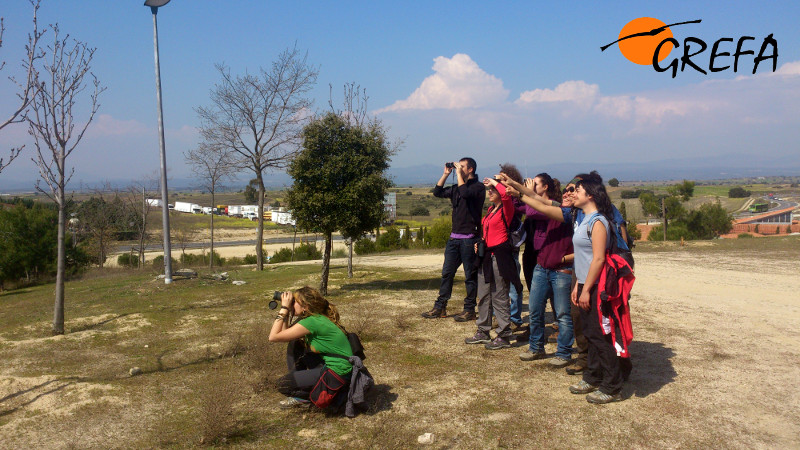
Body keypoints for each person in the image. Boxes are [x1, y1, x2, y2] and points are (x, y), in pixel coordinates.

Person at [566, 178, 630, 403]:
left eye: (579, 190)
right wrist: (577, 285)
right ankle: (593, 376)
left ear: (590, 195)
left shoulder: (598, 221)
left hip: (596, 286)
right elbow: (583, 259)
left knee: (601, 335)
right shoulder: (584, 220)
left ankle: (612, 386)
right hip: (584, 283)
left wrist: (587, 289)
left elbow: (599, 258)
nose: (575, 193)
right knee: (590, 334)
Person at [504, 173, 575, 367]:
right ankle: (536, 347)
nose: (568, 193)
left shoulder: (571, 214)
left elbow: (536, 208)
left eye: (572, 190)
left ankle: (563, 352)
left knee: (562, 314)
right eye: (566, 190)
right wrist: (514, 186)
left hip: (562, 270)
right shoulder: (556, 205)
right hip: (541, 267)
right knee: (535, 310)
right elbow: (536, 200)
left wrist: (519, 193)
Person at [422, 158, 485, 321]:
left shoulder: (478, 188)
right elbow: (437, 192)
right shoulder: (457, 188)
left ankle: (469, 309)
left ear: (470, 169)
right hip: (454, 238)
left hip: (469, 239)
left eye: (462, 166)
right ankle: (440, 307)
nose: (459, 168)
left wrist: (458, 174)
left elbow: (465, 193)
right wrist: (445, 174)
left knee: (469, 276)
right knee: (447, 273)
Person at [269, 286, 353, 409]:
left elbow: (273, 337)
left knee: (283, 384)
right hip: (341, 368)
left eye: (294, 302)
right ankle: (305, 385)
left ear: (305, 307)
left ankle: (320, 397)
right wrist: (287, 313)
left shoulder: (311, 322)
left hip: (338, 372)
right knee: (296, 345)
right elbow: (285, 335)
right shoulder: (316, 318)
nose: (292, 304)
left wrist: (284, 308)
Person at [464, 177, 522, 350]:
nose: (489, 192)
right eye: (489, 189)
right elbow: (489, 230)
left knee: (499, 295)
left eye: (492, 190)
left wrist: (496, 182)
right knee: (484, 294)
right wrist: (481, 242)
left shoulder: (506, 209)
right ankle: (483, 330)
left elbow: (506, 196)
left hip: (499, 257)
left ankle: (504, 333)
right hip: (486, 256)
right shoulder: (491, 209)